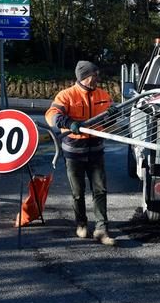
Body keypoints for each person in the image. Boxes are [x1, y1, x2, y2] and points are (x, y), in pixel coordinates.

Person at [46, 60, 115, 246]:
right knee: (78, 192)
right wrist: (69, 123)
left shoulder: (103, 95)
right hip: (74, 153)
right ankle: (81, 223)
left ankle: (101, 229)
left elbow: (111, 123)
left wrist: (114, 114)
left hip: (96, 152)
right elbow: (52, 115)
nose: (98, 78)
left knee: (100, 190)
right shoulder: (66, 95)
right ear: (85, 77)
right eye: (95, 75)